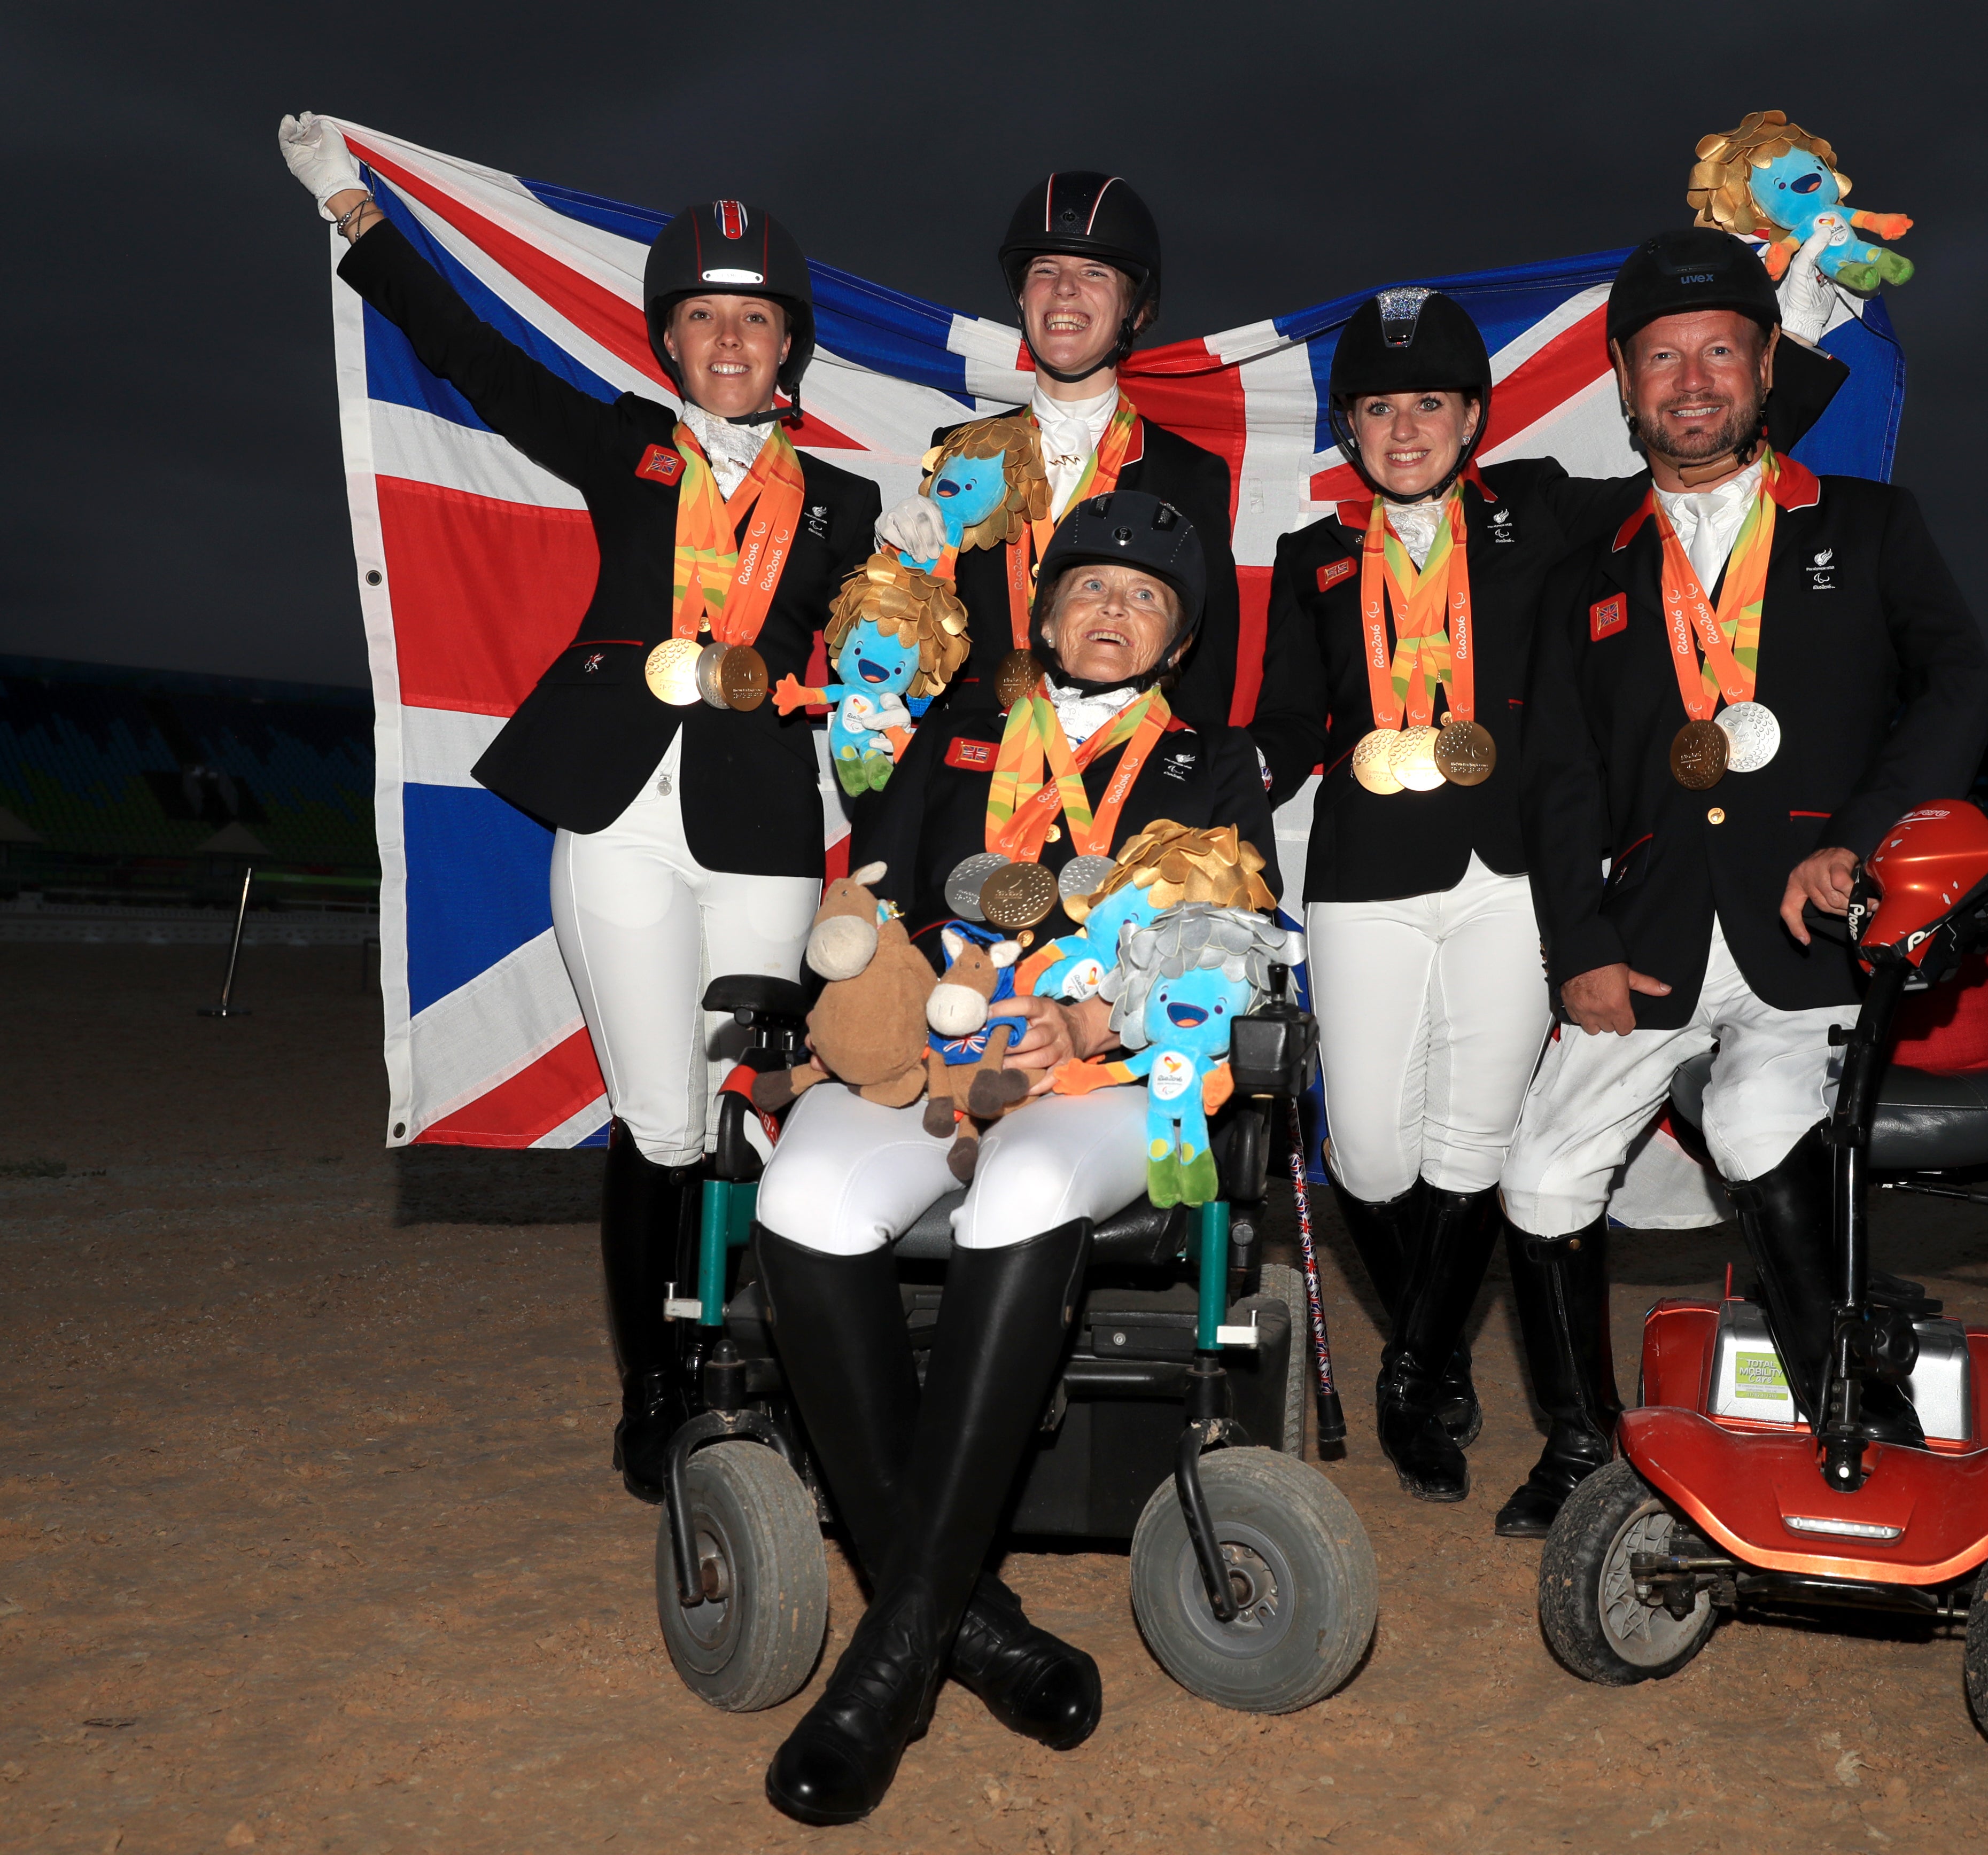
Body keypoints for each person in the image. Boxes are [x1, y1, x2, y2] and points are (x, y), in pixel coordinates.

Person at [275, 116, 880, 1502]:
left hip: (760, 834)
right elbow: (477, 362)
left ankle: (773, 1360)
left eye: (755, 322)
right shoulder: (625, 447)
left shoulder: (847, 505)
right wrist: (355, 215)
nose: (731, 344)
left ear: (790, 344)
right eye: (704, 321)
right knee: (658, 1119)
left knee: (767, 1103)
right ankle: (656, 1390)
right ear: (671, 342)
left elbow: (894, 658)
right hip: (617, 817)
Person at [749, 491, 1273, 1825]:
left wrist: (1095, 1013)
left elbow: (1232, 956)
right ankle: (965, 1628)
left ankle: (884, 1670)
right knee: (801, 1191)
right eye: (1088, 589)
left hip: (1105, 1079)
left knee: (1029, 1188)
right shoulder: (955, 730)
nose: (1111, 612)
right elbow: (880, 896)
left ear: (1178, 634)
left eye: (1144, 598)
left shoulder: (1215, 766)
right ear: (1040, 617)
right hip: (944, 1067)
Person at [1501, 225, 1988, 1534]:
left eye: (1719, 349)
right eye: (1659, 358)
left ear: (1766, 364)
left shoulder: (1870, 525)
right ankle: (1574, 1450)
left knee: (1754, 1129)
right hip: (1648, 941)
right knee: (1538, 1174)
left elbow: (1957, 685)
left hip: (1807, 930)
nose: (1691, 379)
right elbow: (1553, 779)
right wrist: (1576, 950)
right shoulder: (1586, 575)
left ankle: (1855, 1405)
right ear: (1620, 382)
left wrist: (1869, 835)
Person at [1251, 290, 1571, 1505]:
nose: (1401, 429)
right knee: (1368, 1151)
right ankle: (1430, 1350)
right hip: (1363, 875)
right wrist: (1207, 797)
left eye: (1426, 403)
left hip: (1509, 875)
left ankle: (1415, 1375)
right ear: (1347, 427)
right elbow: (1288, 722)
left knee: (1472, 1142)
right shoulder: (1314, 559)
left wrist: (1796, 320)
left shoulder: (1537, 514)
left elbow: (1709, 453)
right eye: (1377, 407)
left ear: (1472, 415)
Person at [876, 174, 1241, 731]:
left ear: (1136, 310)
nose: (1064, 288)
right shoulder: (956, 449)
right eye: (1044, 271)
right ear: (1022, 298)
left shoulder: (1189, 474)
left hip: (1116, 779)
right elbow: (908, 638)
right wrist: (892, 564)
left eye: (1094, 272)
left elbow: (1202, 672)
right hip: (971, 765)